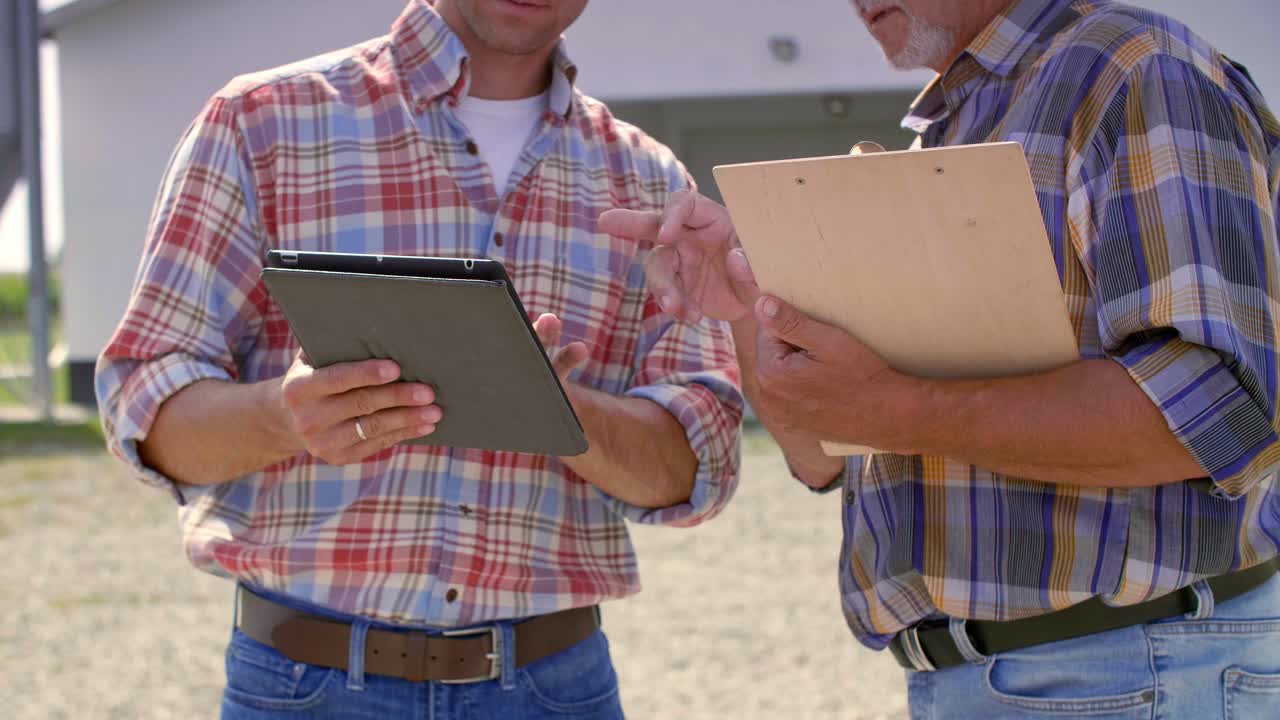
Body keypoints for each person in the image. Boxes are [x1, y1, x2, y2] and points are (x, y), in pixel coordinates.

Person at [601, 0, 1280, 716]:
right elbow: (819, 458)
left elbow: (1219, 415)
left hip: (1131, 668)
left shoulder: (1135, 70)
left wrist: (893, 407)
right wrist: (745, 300)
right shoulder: (961, 121)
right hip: (1007, 677)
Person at [95, 1, 743, 717]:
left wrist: (557, 408)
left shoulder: (650, 183)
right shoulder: (262, 122)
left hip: (553, 691)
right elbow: (146, 409)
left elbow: (697, 470)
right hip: (305, 691)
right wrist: (286, 418)